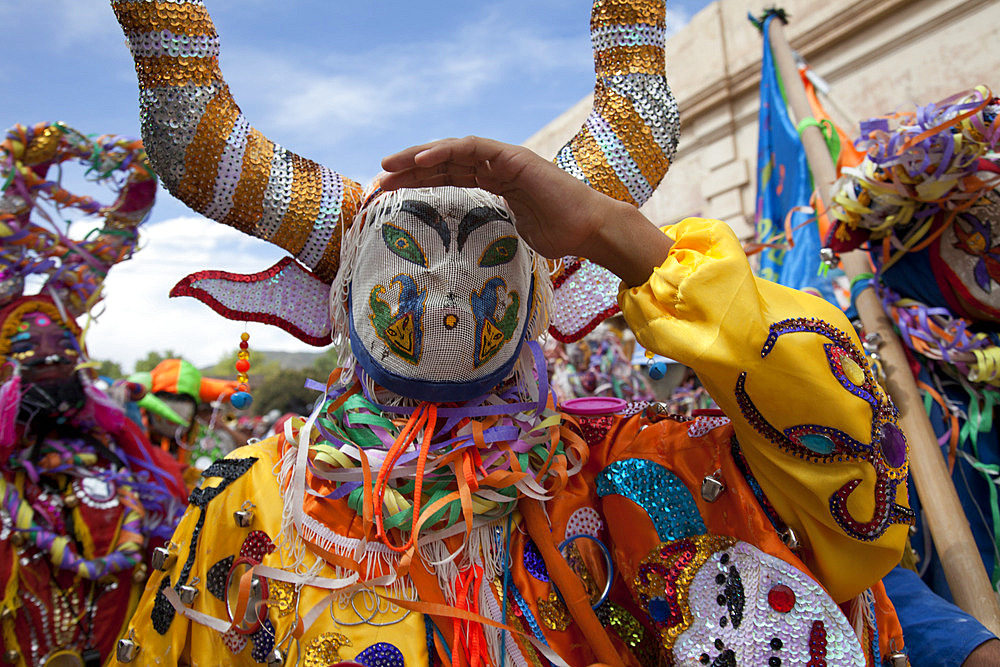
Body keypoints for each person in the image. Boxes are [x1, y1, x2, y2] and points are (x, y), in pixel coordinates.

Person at [110, 1, 914, 665]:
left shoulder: (622, 471)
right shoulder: (253, 495)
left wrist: (610, 230)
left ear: (549, 300)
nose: (450, 300)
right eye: (408, 261)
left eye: (491, 261)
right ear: (333, 302)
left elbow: (850, 468)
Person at [0, 123, 187, 665]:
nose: (48, 352)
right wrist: (31, 167)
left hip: (88, 459)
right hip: (15, 462)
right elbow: (10, 224)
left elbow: (114, 238)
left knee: (144, 515)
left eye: (59, 344)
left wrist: (144, 174)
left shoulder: (66, 296)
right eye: (25, 345)